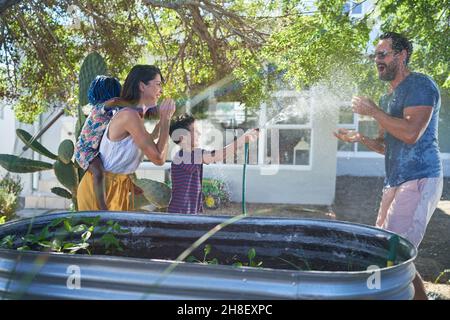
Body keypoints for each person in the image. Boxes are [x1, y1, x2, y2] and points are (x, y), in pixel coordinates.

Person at [334, 32, 443, 300]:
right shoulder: (388, 97)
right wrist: (360, 138)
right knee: (388, 249)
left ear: (401, 55)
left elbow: (411, 134)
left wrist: (372, 112)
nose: (377, 60)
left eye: (382, 55)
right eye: (375, 56)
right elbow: (387, 145)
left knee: (393, 251)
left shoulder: (420, 86)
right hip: (394, 182)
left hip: (419, 178)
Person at [77, 65, 175, 211]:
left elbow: (153, 144)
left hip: (119, 187)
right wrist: (166, 120)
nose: (161, 90)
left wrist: (163, 121)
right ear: (142, 86)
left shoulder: (133, 116)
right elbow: (159, 158)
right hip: (101, 191)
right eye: (158, 84)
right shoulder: (128, 115)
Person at [167, 114, 258, 214]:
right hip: (179, 215)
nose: (199, 133)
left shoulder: (190, 155)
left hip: (186, 213)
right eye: (195, 131)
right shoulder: (184, 156)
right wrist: (241, 140)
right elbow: (218, 155)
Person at [75, 75, 122, 210]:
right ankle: (102, 206)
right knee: (99, 172)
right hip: (85, 150)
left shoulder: (113, 112)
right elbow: (114, 101)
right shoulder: (99, 109)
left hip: (96, 149)